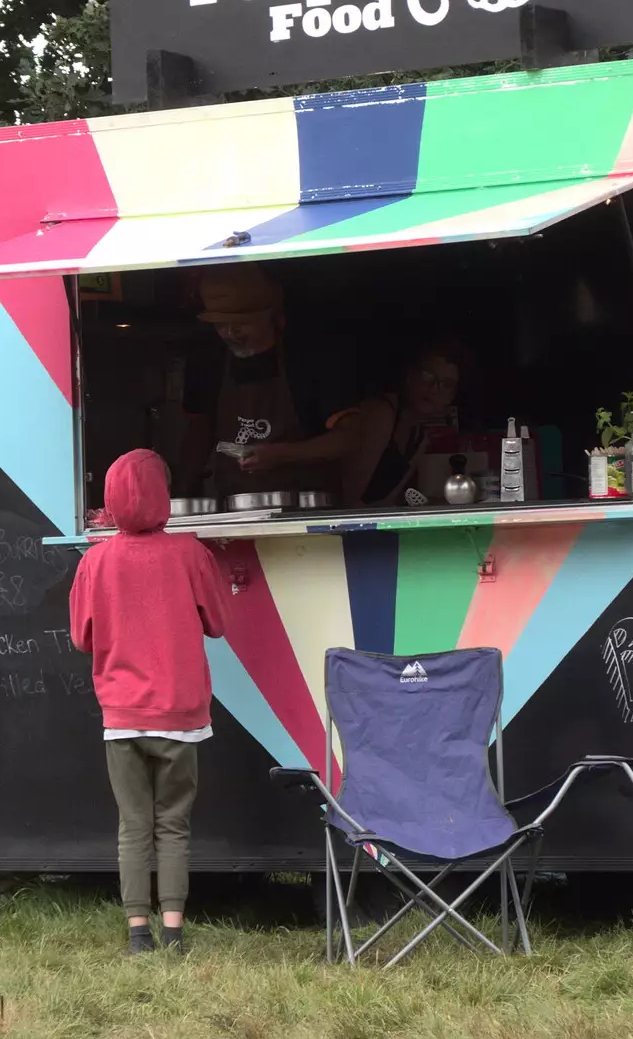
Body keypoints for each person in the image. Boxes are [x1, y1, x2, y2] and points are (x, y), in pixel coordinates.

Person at [69, 449, 230, 954]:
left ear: (111, 502)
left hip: (122, 716)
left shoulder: (95, 560)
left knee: (132, 825)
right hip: (180, 715)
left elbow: (81, 637)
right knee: (174, 823)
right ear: (165, 496)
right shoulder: (190, 553)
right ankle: (175, 929)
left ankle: (138, 932)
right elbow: (218, 625)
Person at [180, 263, 354, 498]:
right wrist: (180, 494)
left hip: (308, 511)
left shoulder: (310, 359)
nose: (231, 333)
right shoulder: (210, 363)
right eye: (221, 325)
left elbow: (348, 438)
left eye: (241, 322)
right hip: (234, 509)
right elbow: (198, 436)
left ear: (272, 317)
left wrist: (283, 454)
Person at [246, 339, 468, 508]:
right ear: (410, 377)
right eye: (428, 377)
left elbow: (387, 501)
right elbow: (350, 497)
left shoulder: (420, 438)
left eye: (446, 384)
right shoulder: (381, 414)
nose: (434, 389)